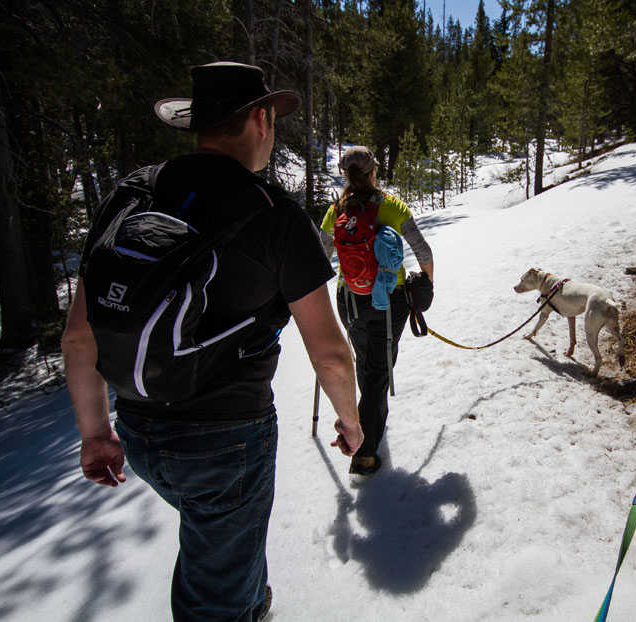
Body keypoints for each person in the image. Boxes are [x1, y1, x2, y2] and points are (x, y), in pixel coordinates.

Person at [61, 61, 363, 622]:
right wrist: (351, 421)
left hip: (141, 429)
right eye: (271, 119)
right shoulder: (276, 213)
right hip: (228, 440)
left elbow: (79, 337)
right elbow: (328, 350)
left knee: (225, 546)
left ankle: (253, 604)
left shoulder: (133, 193)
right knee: (214, 590)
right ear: (260, 119)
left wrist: (95, 434)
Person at [319, 146, 434, 476]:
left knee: (367, 360)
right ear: (374, 171)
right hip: (389, 301)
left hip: (349, 299)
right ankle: (364, 452)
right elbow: (422, 249)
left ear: (346, 175)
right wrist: (427, 283)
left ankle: (364, 420)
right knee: (378, 370)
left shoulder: (336, 210)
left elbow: (318, 258)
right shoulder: (392, 206)